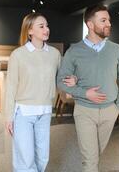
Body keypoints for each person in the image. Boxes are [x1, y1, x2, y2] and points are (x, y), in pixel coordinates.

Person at [57, 4, 119, 172]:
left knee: (96, 156)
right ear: (90, 24)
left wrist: (117, 106)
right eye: (103, 20)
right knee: (90, 160)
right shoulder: (74, 51)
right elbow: (61, 81)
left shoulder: (116, 50)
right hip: (84, 111)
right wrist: (84, 93)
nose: (109, 24)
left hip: (109, 111)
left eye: (109, 20)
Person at [5, 12, 76, 172]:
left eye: (47, 25)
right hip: (23, 113)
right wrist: (9, 117)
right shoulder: (18, 55)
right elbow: (11, 86)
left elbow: (62, 78)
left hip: (45, 112)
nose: (46, 29)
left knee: (42, 156)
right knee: (25, 157)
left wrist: (73, 80)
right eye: (41, 26)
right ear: (30, 31)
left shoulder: (54, 54)